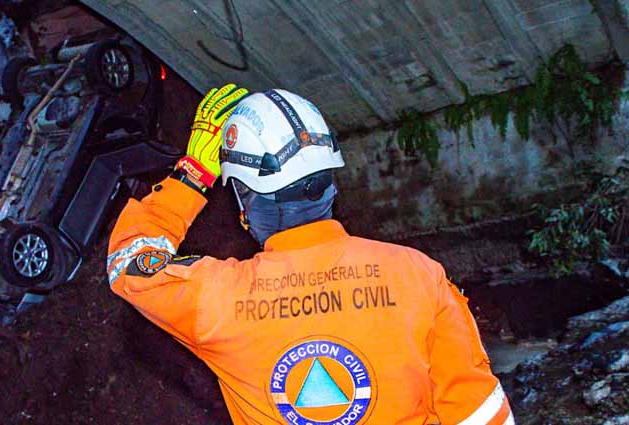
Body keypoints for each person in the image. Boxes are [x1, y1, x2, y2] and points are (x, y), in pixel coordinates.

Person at [106, 83, 514, 424]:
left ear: (245, 202)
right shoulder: (417, 275)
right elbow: (481, 414)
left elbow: (129, 262)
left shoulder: (214, 299)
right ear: (330, 183)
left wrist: (193, 173)